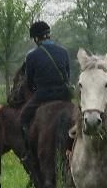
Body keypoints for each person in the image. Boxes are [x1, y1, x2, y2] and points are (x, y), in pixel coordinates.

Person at [19, 21, 71, 160]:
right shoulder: (64, 52)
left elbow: (29, 81)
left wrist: (35, 89)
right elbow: (67, 75)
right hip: (64, 95)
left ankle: (28, 152)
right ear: (49, 35)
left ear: (36, 38)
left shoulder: (32, 56)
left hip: (43, 95)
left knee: (23, 118)